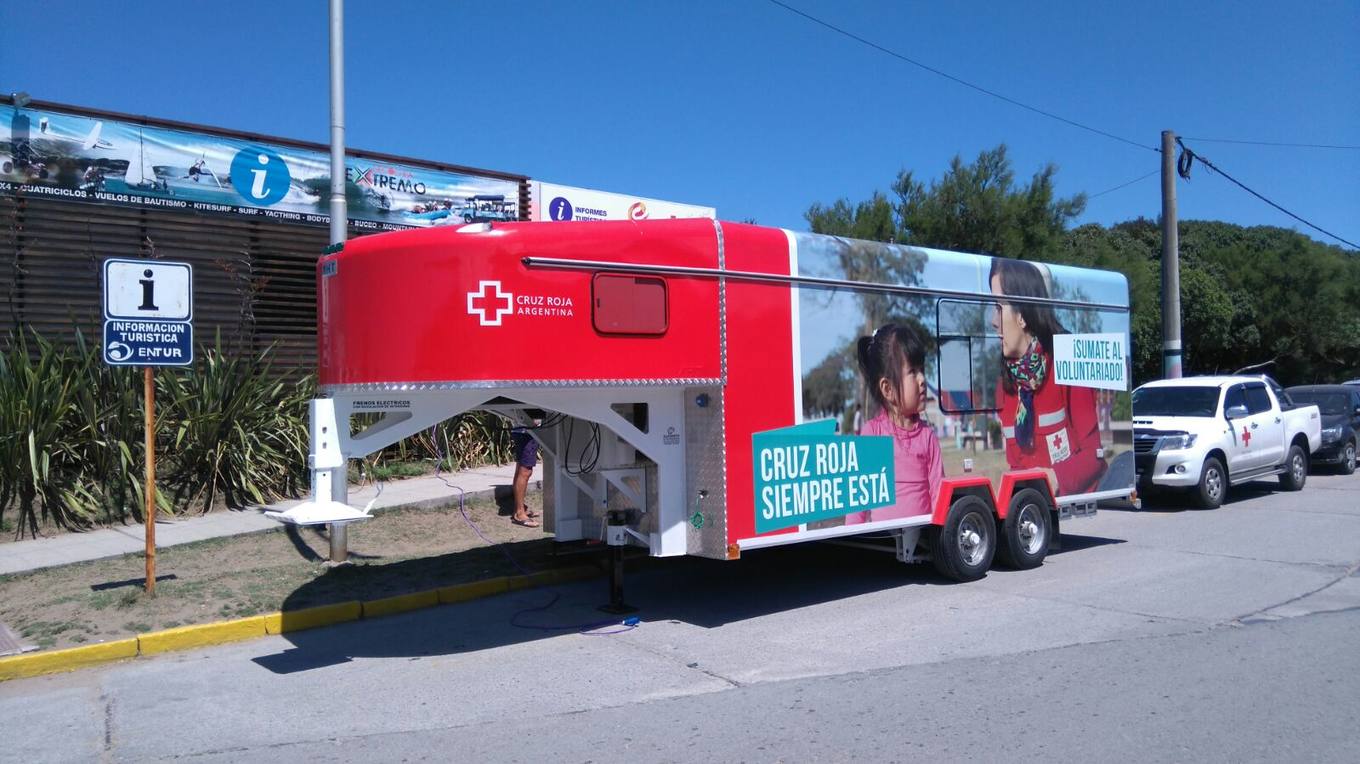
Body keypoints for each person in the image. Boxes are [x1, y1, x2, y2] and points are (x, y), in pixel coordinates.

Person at [989, 258, 1106, 496]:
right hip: (1035, 509)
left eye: (998, 308)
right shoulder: (1005, 387)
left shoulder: (1069, 360)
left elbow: (1095, 455)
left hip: (1080, 504)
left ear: (1021, 314)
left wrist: (1053, 479)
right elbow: (1016, 465)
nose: (993, 321)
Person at [845, 323, 943, 524]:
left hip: (922, 546)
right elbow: (858, 505)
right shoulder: (872, 435)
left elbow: (939, 497)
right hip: (884, 547)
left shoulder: (928, 437)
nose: (922, 379)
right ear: (887, 389)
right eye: (913, 372)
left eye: (922, 370)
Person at [509, 424, 540, 527]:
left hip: (523, 431)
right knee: (525, 471)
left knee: (520, 469)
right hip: (526, 432)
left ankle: (520, 509)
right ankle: (519, 513)